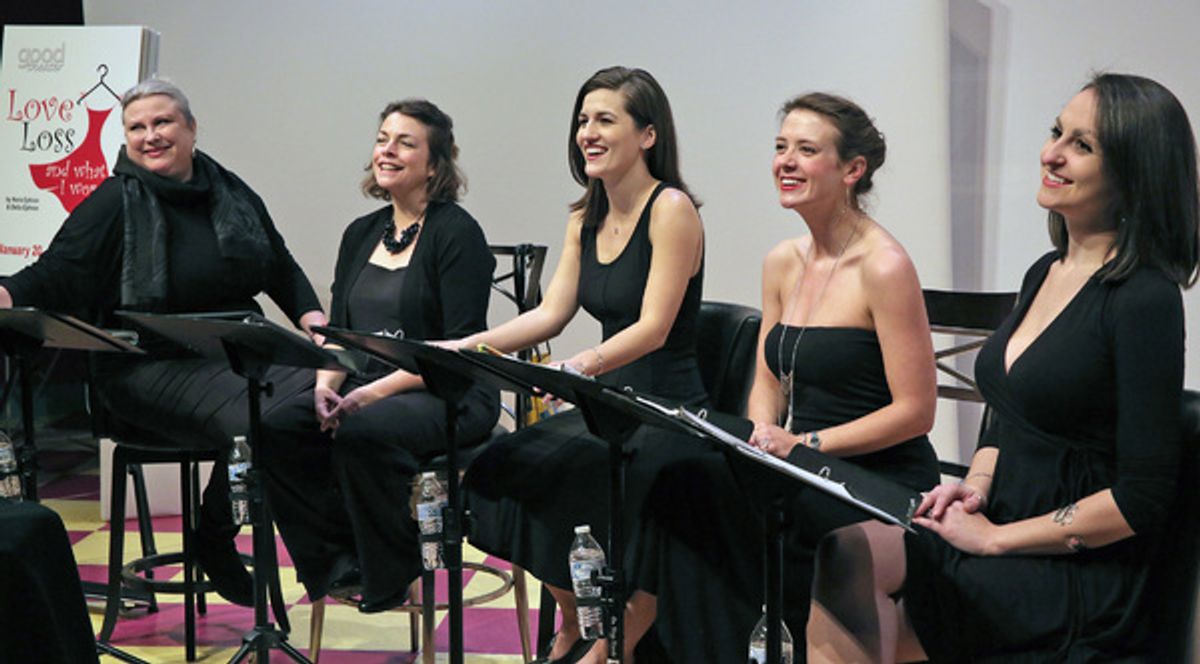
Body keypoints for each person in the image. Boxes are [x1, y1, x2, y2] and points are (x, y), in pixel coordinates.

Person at [806, 73, 1199, 663]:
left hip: (1071, 570)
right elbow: (1005, 420)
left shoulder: (1146, 298)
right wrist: (974, 490)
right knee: (841, 552)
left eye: (1082, 146)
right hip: (1001, 522)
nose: (1052, 153)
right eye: (1056, 132)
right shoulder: (1045, 270)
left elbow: (1139, 498)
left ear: (1132, 172)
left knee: (874, 577)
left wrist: (995, 541)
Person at [622, 92, 940, 663]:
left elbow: (915, 411)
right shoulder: (781, 261)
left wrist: (804, 444)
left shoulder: (884, 265)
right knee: (679, 480)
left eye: (806, 150)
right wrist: (760, 440)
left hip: (875, 478)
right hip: (800, 465)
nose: (785, 162)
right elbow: (768, 381)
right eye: (780, 147)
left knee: (715, 511)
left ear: (852, 170)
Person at [0, 78, 327, 606]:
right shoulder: (114, 200)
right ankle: (237, 544)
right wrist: (6, 294)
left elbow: (280, 267)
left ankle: (234, 536)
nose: (150, 136)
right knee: (264, 415)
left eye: (162, 122)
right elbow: (56, 273)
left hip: (234, 355)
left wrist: (314, 323)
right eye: (137, 127)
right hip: (142, 369)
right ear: (126, 137)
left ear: (191, 128)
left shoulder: (232, 192)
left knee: (327, 392)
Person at [457, 65, 706, 663]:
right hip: (608, 399)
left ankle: (610, 646)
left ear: (647, 135)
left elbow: (654, 328)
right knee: (510, 466)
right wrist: (467, 347)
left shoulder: (670, 208)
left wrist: (583, 365)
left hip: (667, 405)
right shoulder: (584, 215)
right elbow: (549, 313)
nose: (587, 133)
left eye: (605, 120)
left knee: (634, 495)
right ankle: (572, 618)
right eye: (582, 121)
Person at [259, 99, 499, 613]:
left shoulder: (456, 233)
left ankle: (390, 572)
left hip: (446, 388)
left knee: (365, 431)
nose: (386, 150)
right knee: (277, 424)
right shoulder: (360, 233)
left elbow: (459, 350)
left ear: (434, 165)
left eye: (405, 142)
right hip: (365, 385)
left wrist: (369, 393)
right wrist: (326, 386)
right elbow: (340, 337)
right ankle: (335, 562)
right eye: (382, 138)